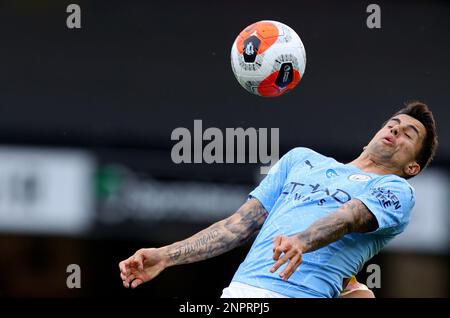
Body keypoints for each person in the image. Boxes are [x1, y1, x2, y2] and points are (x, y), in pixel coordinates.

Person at [119, 101, 438, 298]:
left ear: (412, 166)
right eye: (392, 124)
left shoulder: (397, 190)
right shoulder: (300, 160)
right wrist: (167, 255)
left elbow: (351, 217)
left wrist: (301, 241)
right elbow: (237, 227)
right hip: (239, 294)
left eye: (409, 134)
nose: (396, 131)